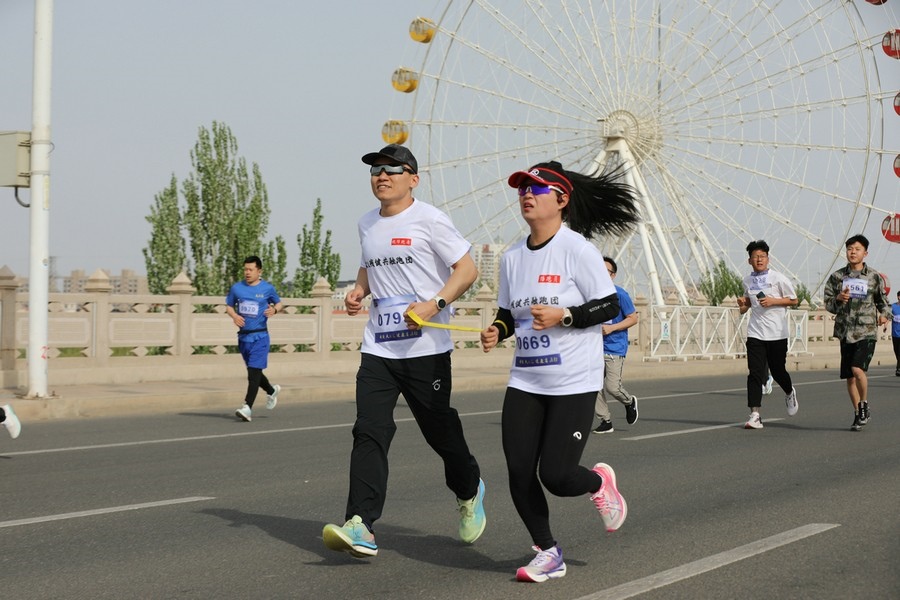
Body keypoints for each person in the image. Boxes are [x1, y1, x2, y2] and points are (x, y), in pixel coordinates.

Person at [322, 144, 485, 559]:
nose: (382, 175)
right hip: (379, 347)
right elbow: (370, 265)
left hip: (426, 348)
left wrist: (435, 303)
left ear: (413, 178)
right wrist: (359, 290)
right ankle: (361, 523)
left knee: (438, 430)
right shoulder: (366, 223)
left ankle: (469, 489)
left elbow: (467, 270)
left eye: (392, 169)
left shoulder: (430, 219)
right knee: (369, 430)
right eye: (376, 170)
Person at [480, 160, 638, 583]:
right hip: (526, 380)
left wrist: (565, 315)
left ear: (562, 199)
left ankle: (598, 483)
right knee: (518, 471)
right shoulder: (512, 257)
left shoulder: (577, 249)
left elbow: (608, 305)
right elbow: (508, 314)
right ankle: (548, 551)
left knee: (557, 475)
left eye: (536, 189)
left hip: (574, 381)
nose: (526, 195)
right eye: (522, 189)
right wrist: (497, 330)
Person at [823, 234, 891, 432]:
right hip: (845, 331)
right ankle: (858, 412)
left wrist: (884, 315)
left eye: (857, 249)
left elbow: (883, 302)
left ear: (865, 253)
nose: (853, 252)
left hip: (866, 331)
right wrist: (838, 299)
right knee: (850, 377)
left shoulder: (874, 277)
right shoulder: (837, 277)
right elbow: (829, 305)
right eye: (850, 249)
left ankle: (864, 404)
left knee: (857, 369)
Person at [736, 240, 799, 429]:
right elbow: (748, 305)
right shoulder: (747, 281)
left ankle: (789, 392)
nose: (759, 259)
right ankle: (755, 415)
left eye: (762, 256)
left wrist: (773, 301)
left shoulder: (778, 278)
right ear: (749, 260)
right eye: (755, 257)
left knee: (778, 371)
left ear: (768, 258)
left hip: (777, 333)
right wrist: (743, 305)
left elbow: (794, 300)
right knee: (755, 373)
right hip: (755, 332)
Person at [225, 256, 283, 422]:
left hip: (260, 337)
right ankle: (271, 391)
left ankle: (247, 407)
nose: (247, 272)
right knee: (255, 371)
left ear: (259, 271)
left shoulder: (267, 288)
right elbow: (229, 306)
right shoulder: (237, 288)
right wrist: (234, 316)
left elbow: (279, 303)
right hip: (244, 338)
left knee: (253, 373)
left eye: (250, 270)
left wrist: (274, 310)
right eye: (245, 269)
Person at [592, 256, 639, 434]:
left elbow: (633, 318)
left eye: (606, 271)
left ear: (613, 275)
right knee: (594, 386)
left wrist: (612, 328)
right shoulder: (591, 295)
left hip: (614, 347)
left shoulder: (620, 294)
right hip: (594, 348)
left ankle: (629, 401)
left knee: (612, 387)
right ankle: (605, 421)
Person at [892, 290, 900, 377]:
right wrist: (885, 325)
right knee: (896, 351)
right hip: (895, 333)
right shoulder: (893, 306)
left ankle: (898, 368)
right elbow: (888, 317)